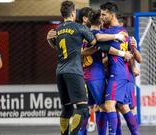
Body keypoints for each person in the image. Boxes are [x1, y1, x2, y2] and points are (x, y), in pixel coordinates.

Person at [46, 1, 97, 135]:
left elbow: (57, 47)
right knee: (83, 109)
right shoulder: (79, 27)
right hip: (74, 71)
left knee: (67, 110)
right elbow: (94, 43)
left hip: (60, 72)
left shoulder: (57, 30)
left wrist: (48, 40)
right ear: (73, 13)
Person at [100, 2, 139, 135]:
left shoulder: (109, 32)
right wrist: (133, 67)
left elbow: (97, 39)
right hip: (124, 74)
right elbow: (130, 55)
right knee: (122, 106)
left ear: (112, 15)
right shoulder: (124, 31)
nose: (102, 17)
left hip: (116, 74)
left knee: (109, 105)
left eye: (104, 14)